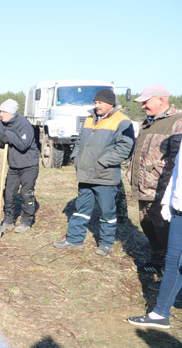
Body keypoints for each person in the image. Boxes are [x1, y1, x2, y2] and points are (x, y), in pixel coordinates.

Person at [54, 89, 135, 256]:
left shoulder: (122, 122)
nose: (96, 105)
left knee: (107, 212)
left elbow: (125, 149)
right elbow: (79, 141)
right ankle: (74, 240)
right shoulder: (90, 118)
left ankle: (105, 243)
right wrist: (76, 157)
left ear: (110, 104)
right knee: (80, 209)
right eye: (96, 102)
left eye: (100, 103)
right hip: (85, 175)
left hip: (105, 175)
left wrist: (102, 162)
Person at [128, 85, 182, 281]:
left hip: (161, 190)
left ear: (161, 100)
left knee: (165, 230)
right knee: (148, 225)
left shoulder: (177, 122)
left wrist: (166, 188)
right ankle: (156, 260)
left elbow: (177, 160)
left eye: (146, 102)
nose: (143, 106)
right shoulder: (148, 122)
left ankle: (171, 272)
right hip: (144, 188)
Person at [126, 147, 182, 329]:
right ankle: (160, 313)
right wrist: (168, 200)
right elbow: (177, 173)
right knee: (174, 261)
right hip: (178, 209)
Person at [0, 99, 39, 232]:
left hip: (28, 165)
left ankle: (26, 222)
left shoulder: (24, 124)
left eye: (4, 112)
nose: (1, 114)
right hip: (13, 166)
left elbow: (22, 145)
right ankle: (8, 220)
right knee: (8, 193)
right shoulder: (0, 125)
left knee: (26, 194)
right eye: (0, 111)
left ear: (12, 113)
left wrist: (9, 135)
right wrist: (2, 141)